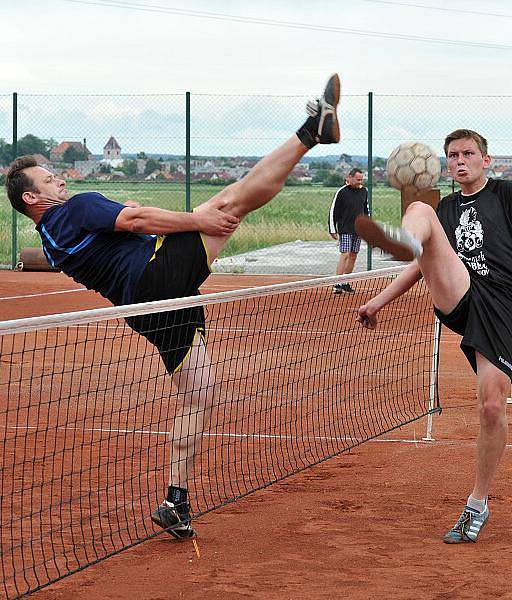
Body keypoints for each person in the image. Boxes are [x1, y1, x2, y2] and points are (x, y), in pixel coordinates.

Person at [4, 74, 342, 540]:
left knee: (197, 393)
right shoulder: (74, 208)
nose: (58, 178)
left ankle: (175, 499)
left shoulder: (51, 236)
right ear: (32, 198)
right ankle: (310, 133)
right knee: (231, 201)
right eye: (48, 179)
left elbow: (124, 227)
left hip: (143, 312)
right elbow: (136, 218)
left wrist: (141, 220)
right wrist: (197, 219)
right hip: (154, 277)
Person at [355, 129, 512, 543]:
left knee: (491, 407)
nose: (459, 160)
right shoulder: (446, 207)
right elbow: (422, 266)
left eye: (468, 153)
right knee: (422, 210)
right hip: (462, 293)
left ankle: (478, 503)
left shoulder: (506, 193)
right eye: (452, 155)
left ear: (485, 160)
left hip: (504, 304)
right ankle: (404, 237)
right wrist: (379, 301)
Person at [328, 167, 369, 293]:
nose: (360, 182)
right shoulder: (342, 192)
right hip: (345, 229)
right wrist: (332, 229)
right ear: (349, 178)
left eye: (361, 180)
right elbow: (332, 211)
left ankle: (345, 282)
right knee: (345, 254)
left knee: (353, 256)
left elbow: (366, 210)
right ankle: (337, 284)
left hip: (358, 230)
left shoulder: (364, 191)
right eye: (357, 179)